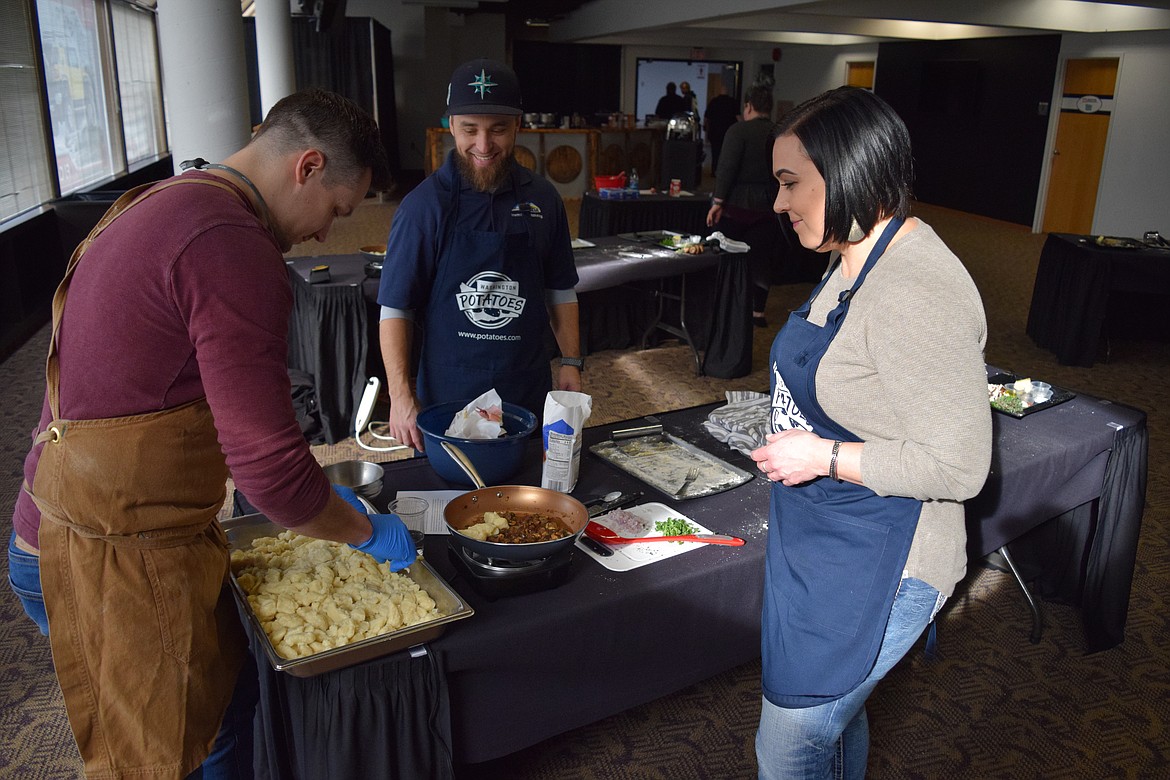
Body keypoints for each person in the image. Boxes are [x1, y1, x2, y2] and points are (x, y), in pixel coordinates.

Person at [6, 88, 415, 780]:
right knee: (186, 751)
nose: (325, 235)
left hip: (62, 522)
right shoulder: (232, 247)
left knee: (230, 699)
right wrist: (362, 531)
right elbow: (270, 471)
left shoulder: (167, 198)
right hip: (107, 556)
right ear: (308, 166)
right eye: (337, 212)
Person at [748, 86, 991, 780]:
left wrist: (821, 453)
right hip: (826, 542)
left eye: (791, 183)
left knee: (789, 746)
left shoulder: (916, 288)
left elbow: (959, 467)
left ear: (850, 170)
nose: (778, 203)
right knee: (834, 723)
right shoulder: (851, 253)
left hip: (887, 558)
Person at [377, 58, 582, 451]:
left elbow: (560, 289)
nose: (484, 146)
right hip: (448, 391)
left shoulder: (543, 199)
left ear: (518, 126)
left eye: (499, 130)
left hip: (525, 385)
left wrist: (571, 362)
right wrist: (401, 396)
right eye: (470, 130)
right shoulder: (423, 207)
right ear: (451, 125)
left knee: (526, 495)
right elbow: (395, 309)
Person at [706, 83, 780, 328]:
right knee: (761, 260)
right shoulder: (779, 133)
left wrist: (718, 202)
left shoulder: (738, 131)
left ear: (748, 106)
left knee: (729, 257)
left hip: (737, 206)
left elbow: (726, 169)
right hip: (768, 207)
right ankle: (757, 312)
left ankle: (726, 306)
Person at [704, 84, 739, 175]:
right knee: (728, 153)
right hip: (729, 133)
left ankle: (714, 170)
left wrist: (706, 131)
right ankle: (725, 172)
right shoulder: (732, 102)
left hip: (715, 132)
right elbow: (738, 117)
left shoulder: (713, 102)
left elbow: (707, 118)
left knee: (715, 152)